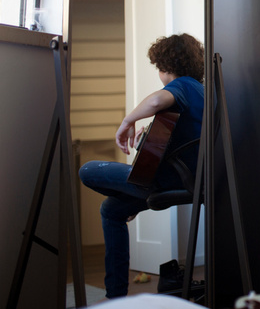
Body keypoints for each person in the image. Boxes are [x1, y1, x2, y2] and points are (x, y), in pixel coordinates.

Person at [80, 33, 205, 300]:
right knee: (112, 210)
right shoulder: (201, 91)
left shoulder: (183, 85)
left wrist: (127, 122)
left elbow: (156, 101)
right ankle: (116, 299)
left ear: (165, 66)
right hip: (185, 179)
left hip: (168, 181)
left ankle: (116, 298)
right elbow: (171, 142)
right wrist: (146, 139)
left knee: (88, 170)